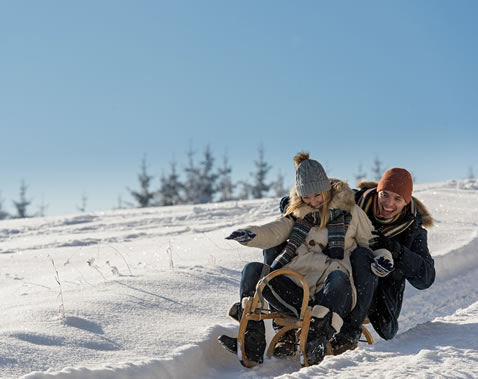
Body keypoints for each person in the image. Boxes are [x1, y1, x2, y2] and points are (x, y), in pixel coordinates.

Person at [218, 152, 394, 367]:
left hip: (333, 291)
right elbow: (274, 230)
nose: (312, 202)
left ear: (327, 189)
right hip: (297, 289)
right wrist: (251, 234)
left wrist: (383, 258)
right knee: (253, 270)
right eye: (306, 197)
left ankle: (316, 339)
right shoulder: (297, 213)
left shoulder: (351, 212)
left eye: (317, 195)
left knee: (339, 277)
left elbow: (372, 244)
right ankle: (250, 340)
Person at [267, 167, 435, 355]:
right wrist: (301, 211)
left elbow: (425, 278)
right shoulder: (353, 200)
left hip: (369, 292)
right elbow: (291, 201)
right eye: (385, 195)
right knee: (277, 241)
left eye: (397, 199)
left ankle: (349, 333)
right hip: (326, 275)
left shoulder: (412, 230)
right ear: (378, 191)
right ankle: (286, 328)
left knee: (362, 254)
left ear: (406, 202)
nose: (388, 203)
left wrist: (395, 250)